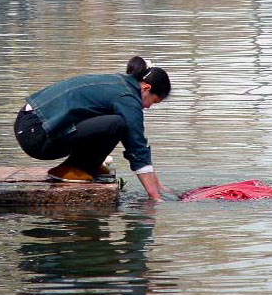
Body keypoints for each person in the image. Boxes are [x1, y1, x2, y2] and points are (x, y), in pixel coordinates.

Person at [14, 56, 172, 201]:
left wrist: (157, 185)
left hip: (30, 125)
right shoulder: (128, 98)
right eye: (153, 101)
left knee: (118, 124)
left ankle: (85, 165)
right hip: (35, 134)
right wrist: (155, 197)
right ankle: (75, 168)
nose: (149, 107)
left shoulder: (120, 84)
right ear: (146, 88)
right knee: (117, 124)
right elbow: (136, 146)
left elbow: (137, 145)